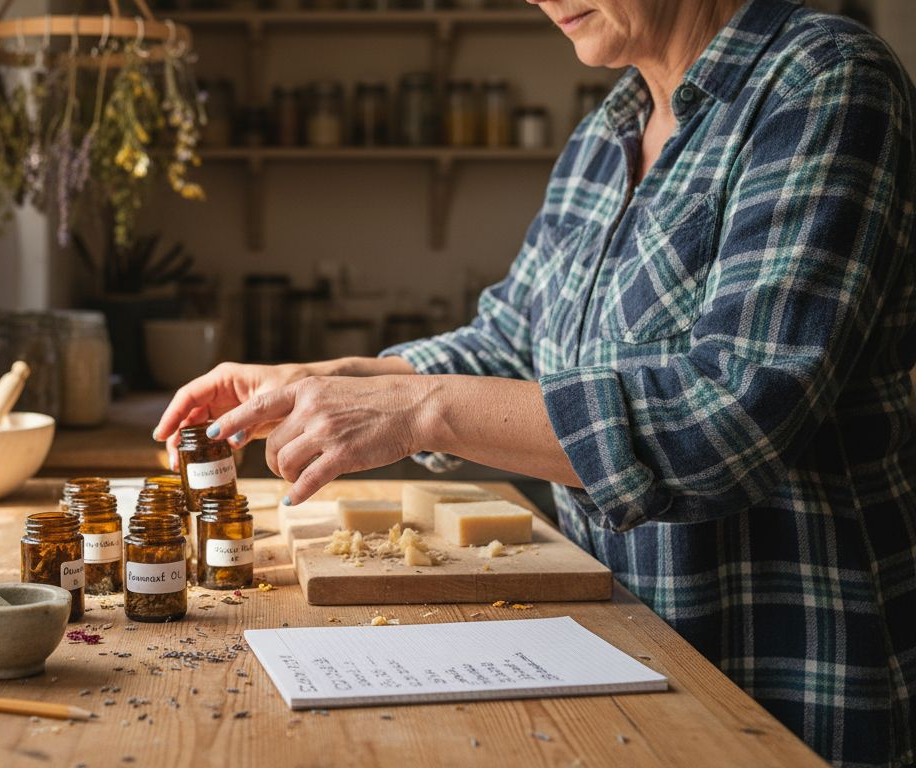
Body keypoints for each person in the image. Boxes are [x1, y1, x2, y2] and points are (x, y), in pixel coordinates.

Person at [153, 1, 916, 765]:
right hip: (620, 655)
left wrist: (421, 409)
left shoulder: (822, 81)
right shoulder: (604, 134)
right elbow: (512, 346)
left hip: (784, 682)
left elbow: (731, 420)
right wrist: (314, 379)